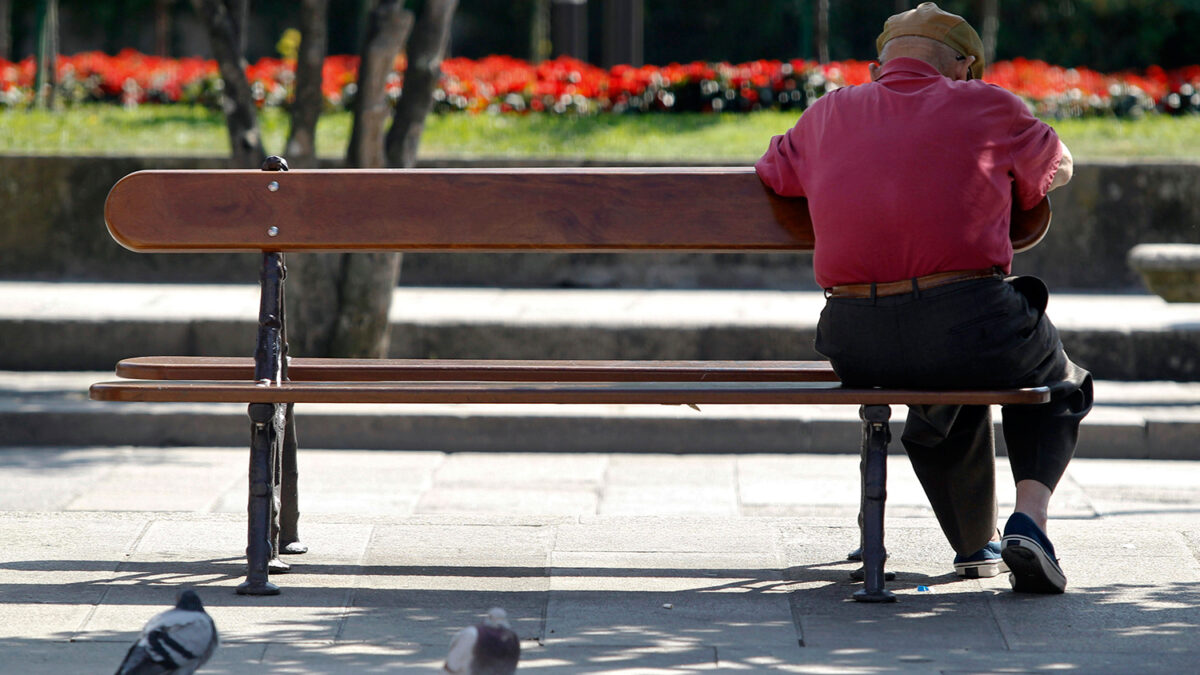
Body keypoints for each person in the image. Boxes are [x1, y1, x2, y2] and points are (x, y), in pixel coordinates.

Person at [755, 2, 1093, 594]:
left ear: (877, 66)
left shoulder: (827, 112)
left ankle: (975, 546)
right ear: (963, 66)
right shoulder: (986, 104)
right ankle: (1030, 524)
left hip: (854, 339)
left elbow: (774, 172)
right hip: (967, 321)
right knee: (1055, 378)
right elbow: (1056, 166)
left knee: (950, 382)